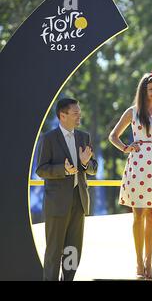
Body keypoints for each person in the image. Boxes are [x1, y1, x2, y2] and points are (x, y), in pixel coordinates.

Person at [109, 72, 152, 280]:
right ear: (143, 90)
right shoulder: (133, 111)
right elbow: (113, 136)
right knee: (138, 213)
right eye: (150, 89)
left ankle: (149, 262)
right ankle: (138, 262)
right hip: (137, 164)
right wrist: (125, 148)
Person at [36, 98, 98, 281]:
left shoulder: (84, 137)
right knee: (54, 251)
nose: (79, 115)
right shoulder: (48, 138)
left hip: (79, 201)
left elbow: (94, 167)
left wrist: (86, 163)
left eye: (79, 112)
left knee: (73, 250)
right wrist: (63, 170)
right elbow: (41, 169)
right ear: (62, 116)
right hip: (57, 203)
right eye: (75, 113)